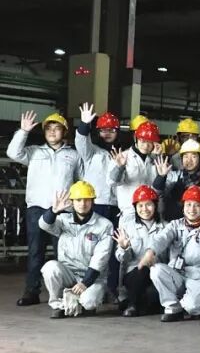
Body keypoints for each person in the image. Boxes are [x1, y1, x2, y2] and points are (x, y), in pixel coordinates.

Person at [7, 110, 81, 306]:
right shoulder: (33, 152)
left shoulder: (73, 155)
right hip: (37, 209)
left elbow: (81, 181)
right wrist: (23, 131)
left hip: (64, 211)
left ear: (64, 132)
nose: (52, 132)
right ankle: (31, 292)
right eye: (49, 129)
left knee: (63, 253)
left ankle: (65, 292)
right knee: (35, 251)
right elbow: (12, 153)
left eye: (57, 128)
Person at [144, 185, 200, 322]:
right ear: (183, 206)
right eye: (188, 204)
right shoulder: (175, 224)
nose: (192, 209)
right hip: (178, 273)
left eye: (197, 205)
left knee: (192, 307)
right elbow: (161, 238)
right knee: (156, 270)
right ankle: (173, 307)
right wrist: (151, 251)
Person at [39, 181, 114, 318]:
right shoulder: (63, 220)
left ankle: (80, 301)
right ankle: (58, 305)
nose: (83, 204)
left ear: (93, 201)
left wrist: (85, 282)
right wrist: (53, 211)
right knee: (50, 268)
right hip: (68, 273)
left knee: (89, 303)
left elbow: (101, 258)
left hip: (92, 277)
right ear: (72, 202)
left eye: (87, 200)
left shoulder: (104, 225)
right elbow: (44, 225)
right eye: (78, 200)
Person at [74, 104, 122, 294]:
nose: (107, 134)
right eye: (103, 130)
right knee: (91, 248)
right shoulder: (91, 152)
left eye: (111, 130)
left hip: (116, 207)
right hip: (95, 207)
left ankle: (112, 288)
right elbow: (81, 142)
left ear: (118, 132)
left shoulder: (122, 154)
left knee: (114, 250)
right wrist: (84, 124)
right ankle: (87, 286)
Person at [113, 185, 166, 317]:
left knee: (152, 296)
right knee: (142, 270)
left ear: (155, 205)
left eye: (149, 205)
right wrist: (124, 248)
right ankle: (133, 305)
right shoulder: (127, 227)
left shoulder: (166, 227)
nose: (145, 209)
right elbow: (122, 259)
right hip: (134, 274)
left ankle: (135, 303)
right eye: (140, 205)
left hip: (159, 273)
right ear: (135, 207)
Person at [155, 140, 200, 221]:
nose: (189, 160)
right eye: (186, 156)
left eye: (193, 156)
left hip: (199, 224)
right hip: (174, 223)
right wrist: (161, 177)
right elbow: (157, 193)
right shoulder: (174, 176)